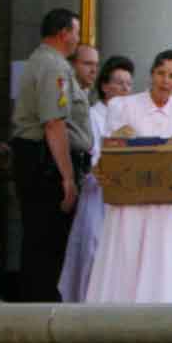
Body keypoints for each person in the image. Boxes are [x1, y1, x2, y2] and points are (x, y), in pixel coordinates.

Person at [86, 50, 172, 305]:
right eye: (161, 74)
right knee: (125, 257)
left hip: (166, 203)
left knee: (162, 262)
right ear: (152, 74)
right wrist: (100, 166)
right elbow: (107, 148)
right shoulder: (123, 106)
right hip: (130, 200)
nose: (165, 81)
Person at [10, 8, 90, 302]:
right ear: (63, 33)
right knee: (46, 241)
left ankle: (38, 301)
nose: (78, 39)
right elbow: (54, 123)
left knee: (41, 240)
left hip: (41, 159)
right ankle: (39, 306)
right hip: (46, 163)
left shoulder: (44, 61)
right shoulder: (53, 66)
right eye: (76, 32)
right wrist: (67, 177)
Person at [57, 55, 135, 303]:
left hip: (124, 196)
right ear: (105, 86)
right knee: (93, 249)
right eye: (119, 83)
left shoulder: (132, 118)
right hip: (97, 191)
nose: (125, 89)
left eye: (129, 84)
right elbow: (90, 154)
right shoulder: (93, 116)